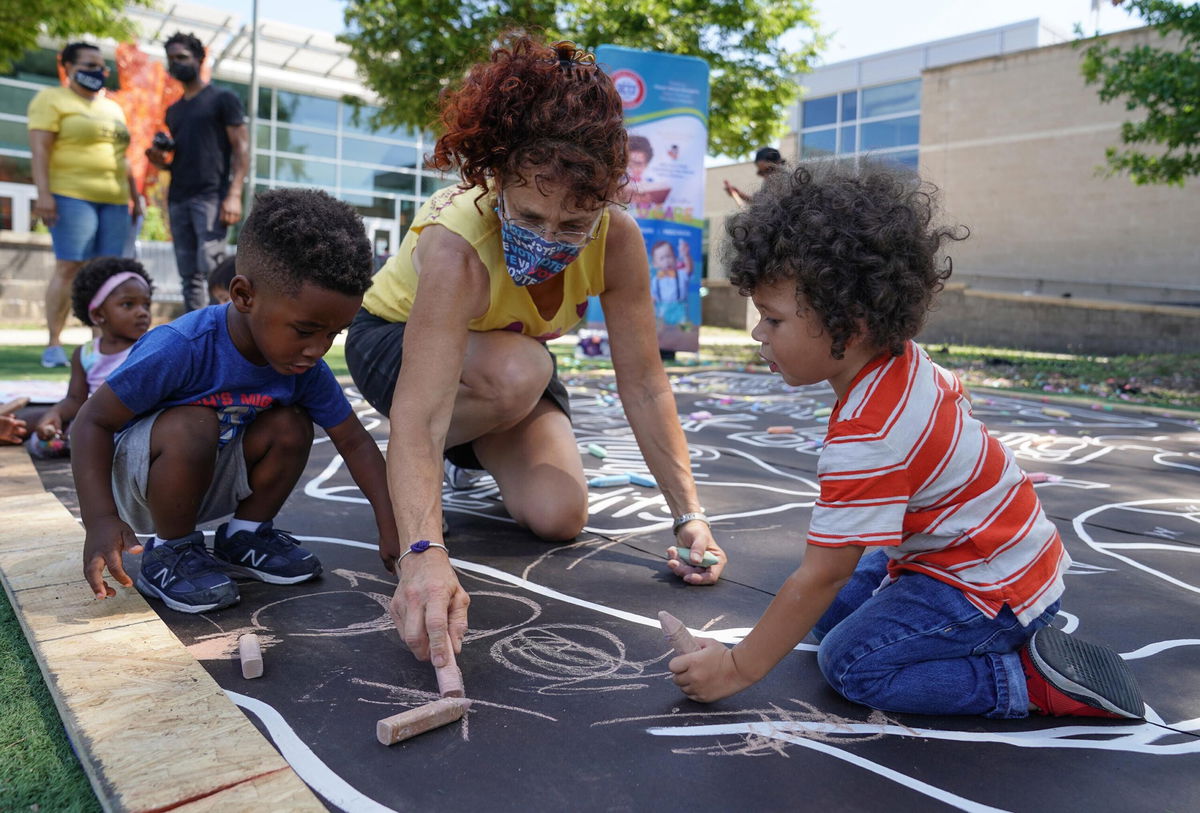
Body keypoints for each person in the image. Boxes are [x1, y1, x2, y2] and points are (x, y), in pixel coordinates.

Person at [668, 162, 1144, 721]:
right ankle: (982, 636)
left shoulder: (870, 432)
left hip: (989, 590)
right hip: (992, 554)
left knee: (849, 662)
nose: (757, 334)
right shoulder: (903, 360)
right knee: (827, 616)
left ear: (851, 323)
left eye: (772, 320)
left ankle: (1028, 681)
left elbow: (823, 570)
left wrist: (738, 668)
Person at [344, 35, 725, 674]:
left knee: (560, 516)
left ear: (605, 200)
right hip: (396, 348)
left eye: (573, 224)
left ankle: (460, 457)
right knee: (523, 369)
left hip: (503, 371)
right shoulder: (454, 247)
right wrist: (422, 551)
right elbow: (422, 411)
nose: (549, 239)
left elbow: (646, 384)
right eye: (529, 215)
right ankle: (420, 474)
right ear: (496, 179)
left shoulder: (619, 240)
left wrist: (688, 516)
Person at [71, 189, 399, 613]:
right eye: (305, 330)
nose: (318, 349)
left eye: (333, 334)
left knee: (291, 423)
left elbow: (354, 441)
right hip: (142, 485)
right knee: (195, 423)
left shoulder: (305, 368)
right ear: (243, 296)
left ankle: (244, 534)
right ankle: (170, 552)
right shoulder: (182, 346)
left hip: (209, 475)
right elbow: (91, 423)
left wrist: (392, 523)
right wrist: (100, 520)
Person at [28, 42, 141, 368]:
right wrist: (44, 195)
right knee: (69, 266)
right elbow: (40, 151)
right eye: (90, 64)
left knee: (108, 274)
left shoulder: (113, 108)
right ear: (69, 66)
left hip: (115, 201)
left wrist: (135, 195)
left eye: (101, 66)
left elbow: (125, 158)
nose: (99, 71)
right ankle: (53, 343)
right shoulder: (51, 100)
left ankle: (99, 346)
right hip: (70, 195)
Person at [146, 31, 249, 312]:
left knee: (214, 271)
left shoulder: (223, 99)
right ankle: (196, 332)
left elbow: (241, 147)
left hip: (212, 197)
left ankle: (223, 331)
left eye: (182, 57)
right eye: (171, 59)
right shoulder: (174, 111)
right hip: (178, 197)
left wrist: (234, 194)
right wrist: (160, 161)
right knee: (187, 274)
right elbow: (181, 157)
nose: (175, 64)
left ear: (199, 58)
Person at [31, 257, 153, 457]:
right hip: (92, 419)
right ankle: (61, 436)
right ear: (98, 315)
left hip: (131, 424)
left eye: (146, 305)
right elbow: (75, 399)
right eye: (128, 304)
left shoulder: (148, 348)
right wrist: (55, 414)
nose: (142, 313)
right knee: (36, 419)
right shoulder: (86, 353)